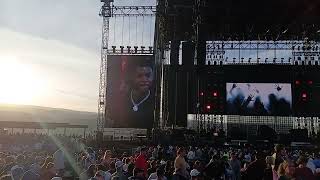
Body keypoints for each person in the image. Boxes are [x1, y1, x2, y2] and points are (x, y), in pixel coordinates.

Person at [115, 60, 154, 129]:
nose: (144, 79)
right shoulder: (121, 100)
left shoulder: (157, 101)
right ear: (131, 77)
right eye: (139, 76)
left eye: (148, 75)